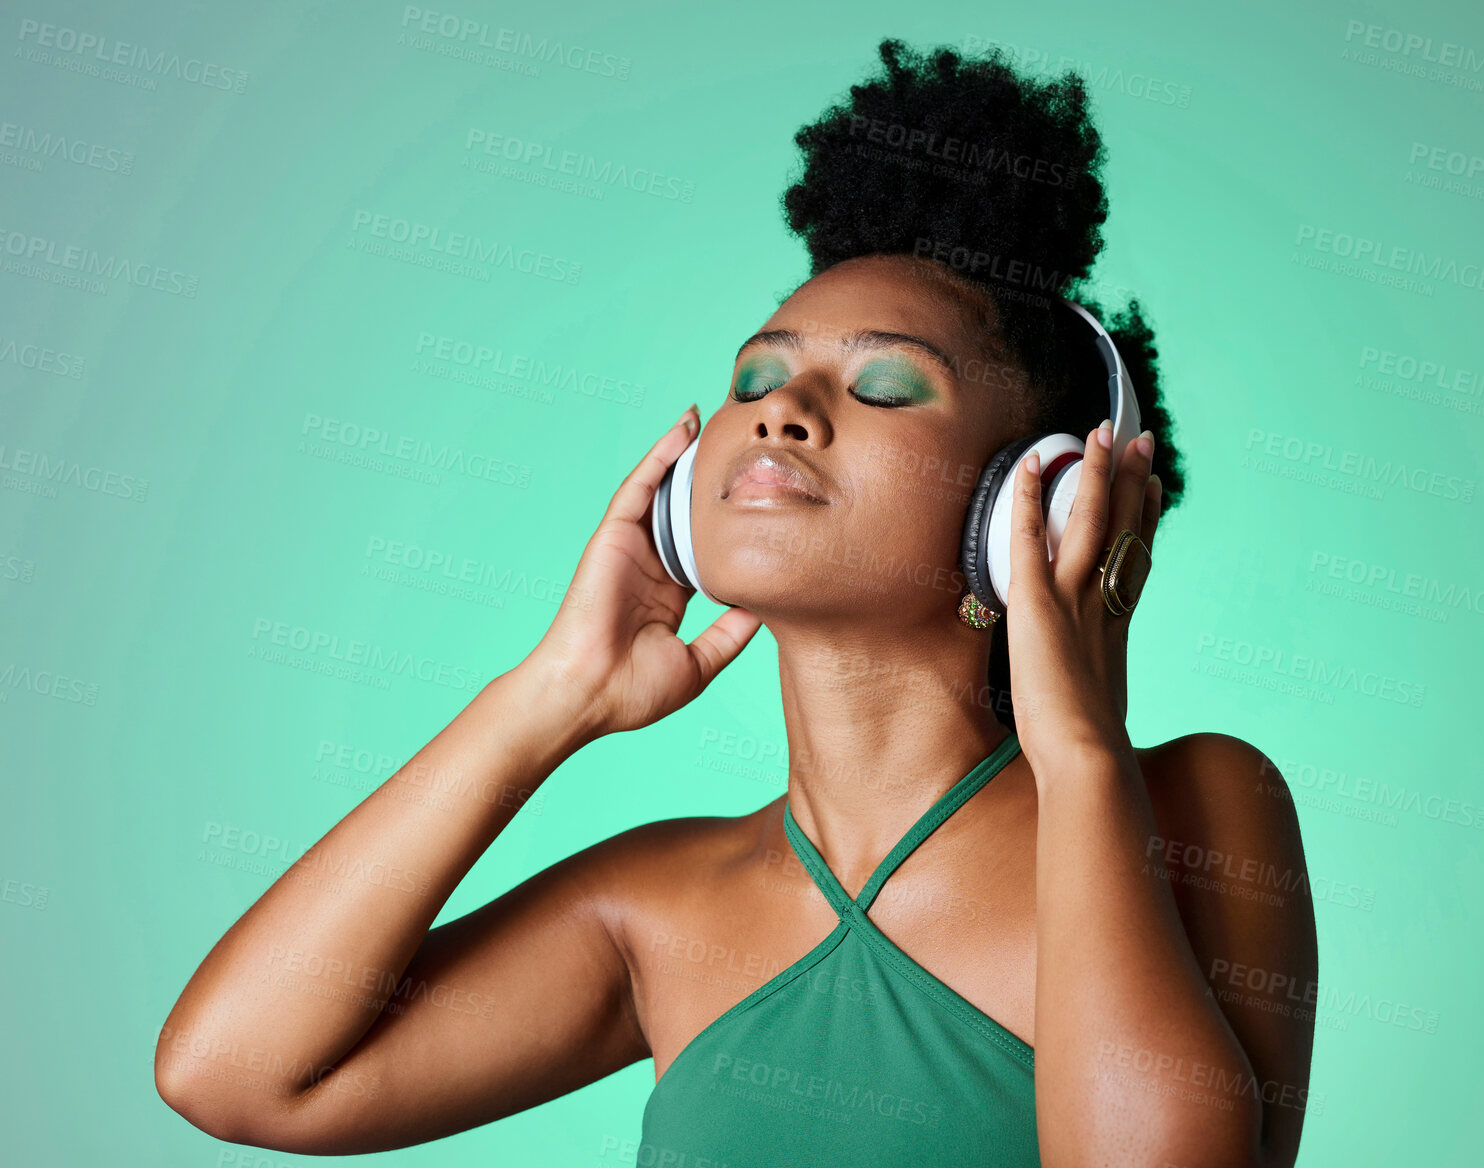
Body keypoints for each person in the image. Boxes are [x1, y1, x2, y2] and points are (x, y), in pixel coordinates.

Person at [155, 37, 1316, 1166]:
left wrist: (1079, 751)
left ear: (1043, 501)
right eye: (758, 376)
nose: (778, 410)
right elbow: (237, 1073)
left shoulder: (1194, 807)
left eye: (885, 386)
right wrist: (549, 694)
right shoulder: (658, 903)